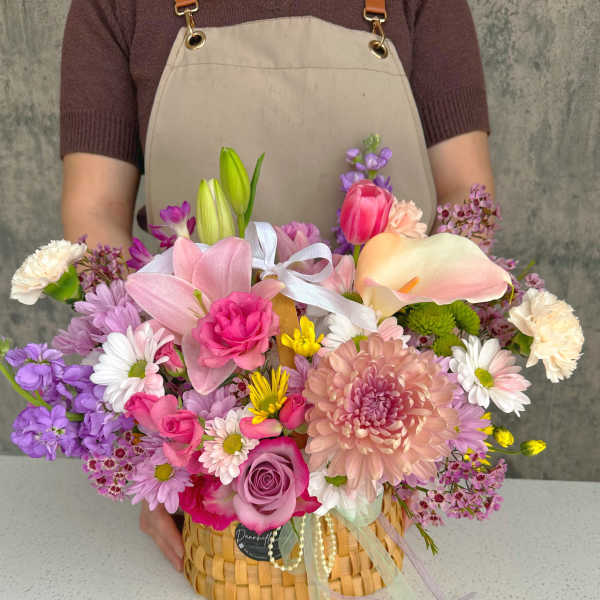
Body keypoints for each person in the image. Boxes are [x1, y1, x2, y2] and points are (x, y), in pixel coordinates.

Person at [59, 0, 494, 571]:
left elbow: (466, 198)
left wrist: (423, 411)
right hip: (204, 404)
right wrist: (154, 454)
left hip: (379, 395)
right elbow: (96, 209)